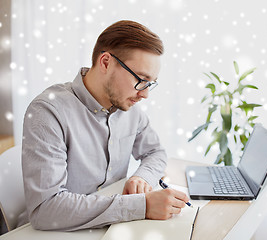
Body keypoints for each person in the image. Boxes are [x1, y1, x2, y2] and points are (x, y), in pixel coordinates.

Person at [18, 20, 189, 231]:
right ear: (106, 62)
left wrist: (141, 177)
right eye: (141, 79)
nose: (144, 94)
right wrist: (142, 206)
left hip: (111, 228)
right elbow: (46, 210)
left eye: (150, 84)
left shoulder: (128, 107)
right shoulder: (48, 111)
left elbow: (155, 152)